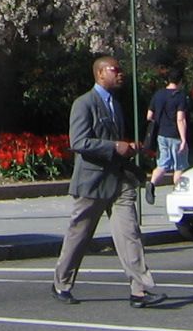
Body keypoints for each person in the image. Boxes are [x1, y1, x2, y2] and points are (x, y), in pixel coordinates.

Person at [52, 54, 166, 307]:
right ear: (100, 73)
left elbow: (117, 146)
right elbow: (78, 142)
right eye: (116, 69)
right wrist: (115, 146)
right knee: (79, 236)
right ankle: (62, 282)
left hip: (119, 182)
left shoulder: (115, 104)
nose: (120, 73)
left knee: (130, 235)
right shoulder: (84, 104)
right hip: (92, 183)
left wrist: (130, 155)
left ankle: (141, 290)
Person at [143, 63, 192, 200]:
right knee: (179, 167)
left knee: (162, 164)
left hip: (161, 134)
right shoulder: (180, 96)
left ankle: (152, 183)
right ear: (181, 81)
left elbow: (149, 116)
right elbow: (180, 119)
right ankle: (179, 193)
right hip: (175, 135)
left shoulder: (158, 94)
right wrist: (183, 140)